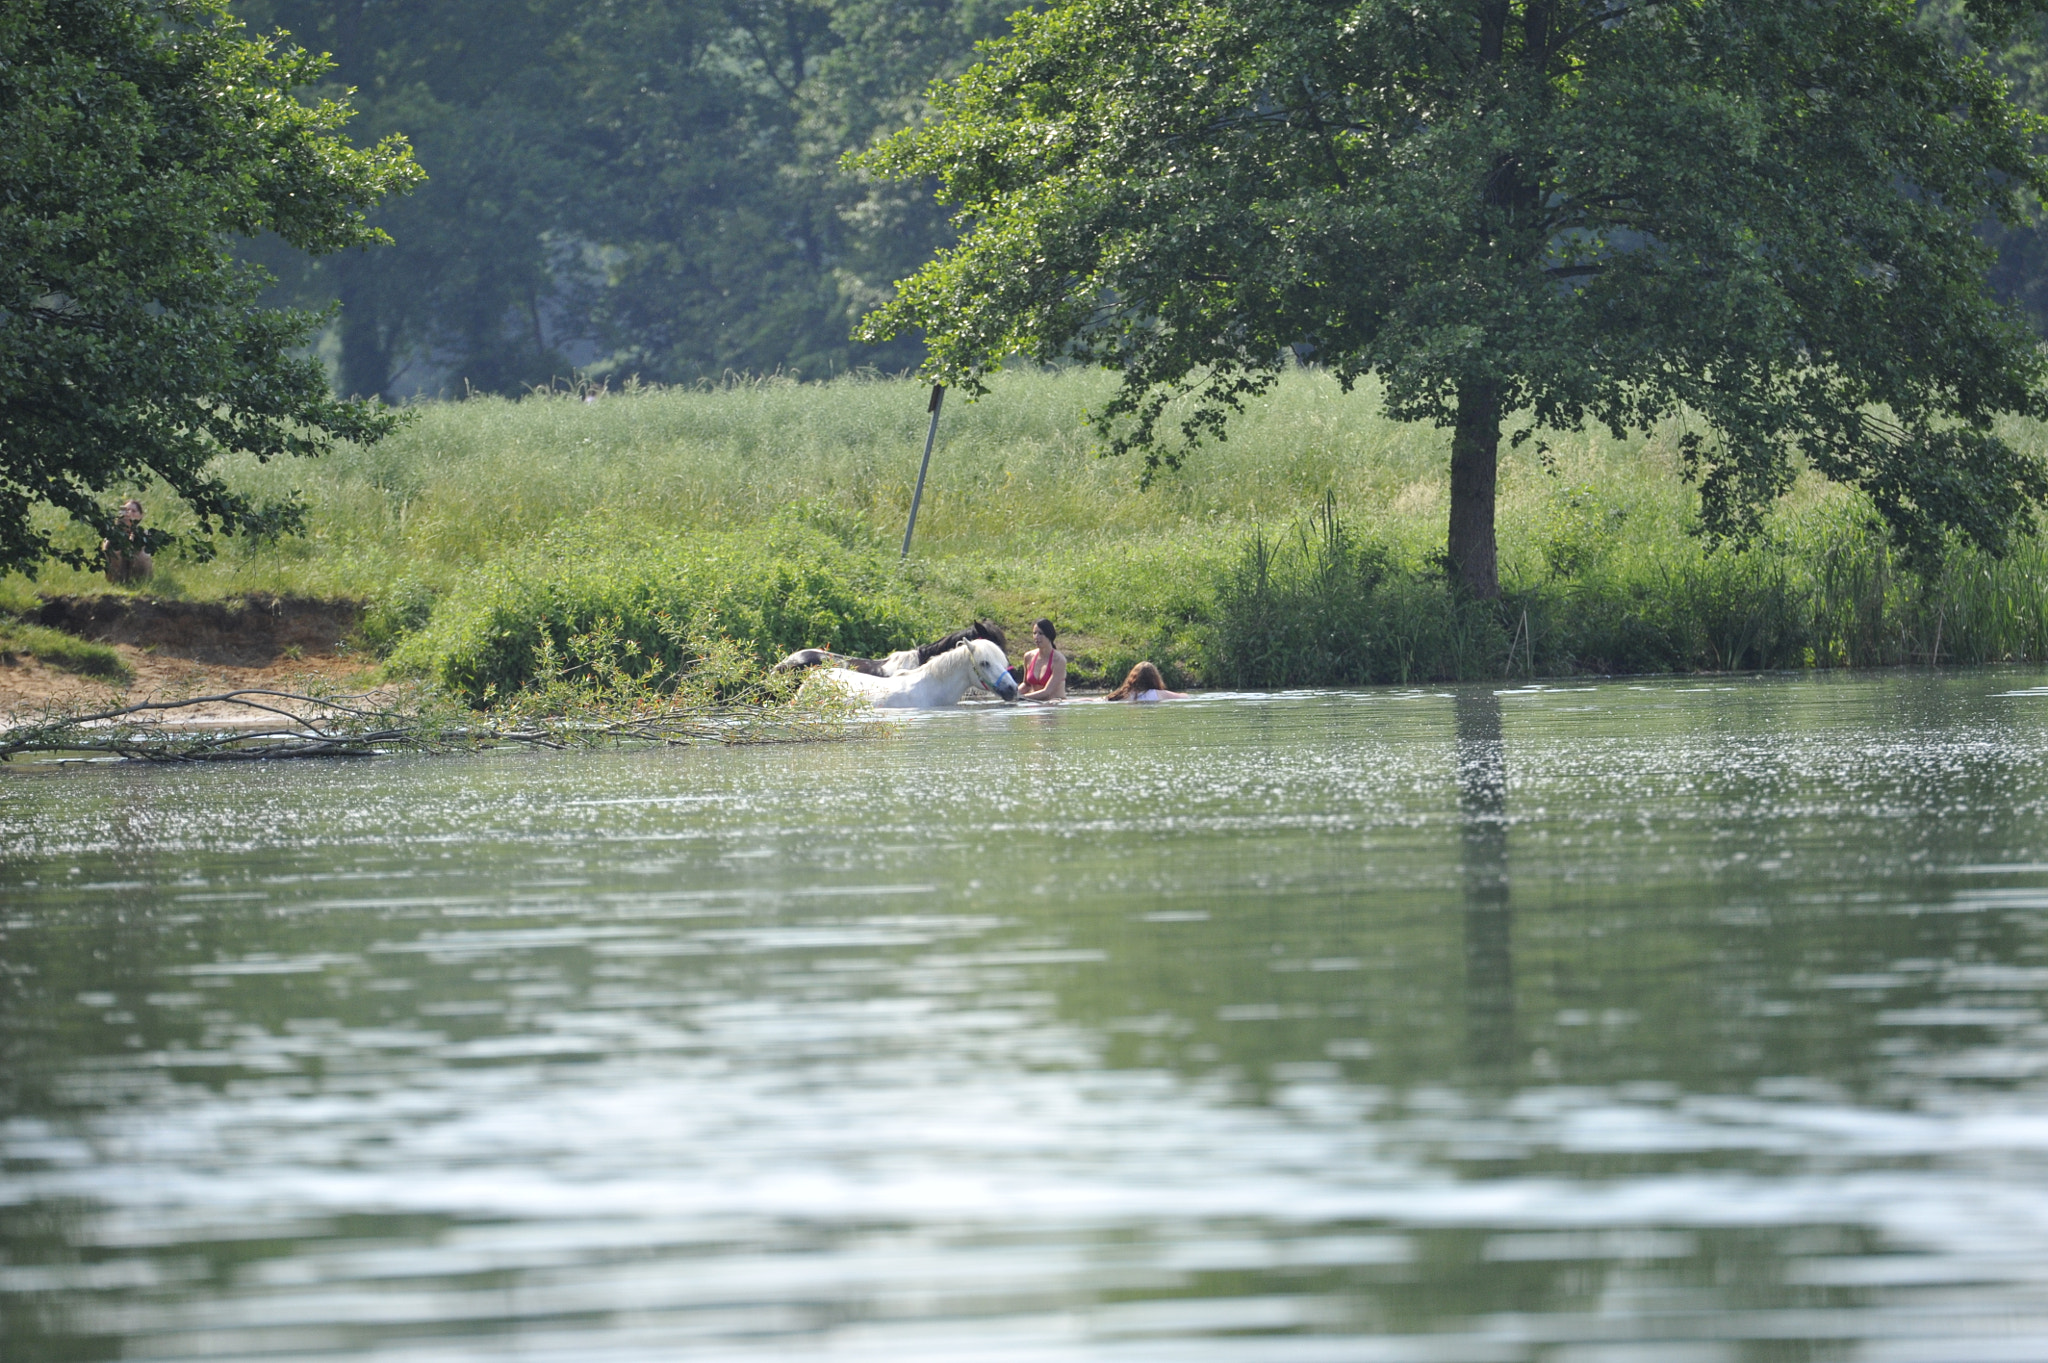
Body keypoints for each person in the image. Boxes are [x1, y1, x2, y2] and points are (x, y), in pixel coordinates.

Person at [102, 499, 153, 584]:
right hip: (116, 573)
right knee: (115, 551)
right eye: (126, 510)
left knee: (143, 554)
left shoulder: (143, 534)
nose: (129, 513)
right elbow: (106, 548)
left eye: (133, 511)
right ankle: (117, 582)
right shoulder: (114, 532)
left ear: (140, 516)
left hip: (137, 572)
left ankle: (141, 582)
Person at [1018, 618, 1067, 700]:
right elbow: (1026, 684)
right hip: (1034, 705)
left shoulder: (1059, 660)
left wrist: (1021, 698)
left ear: (1049, 635)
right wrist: (1013, 694)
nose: (1036, 637)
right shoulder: (1028, 656)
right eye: (1034, 633)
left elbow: (1047, 692)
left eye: (1040, 633)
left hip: (1055, 706)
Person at [1105, 661, 1187, 701]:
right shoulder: (1160, 694)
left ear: (1132, 678)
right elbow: (1185, 696)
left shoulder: (1122, 695)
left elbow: (1096, 700)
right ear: (1155, 678)